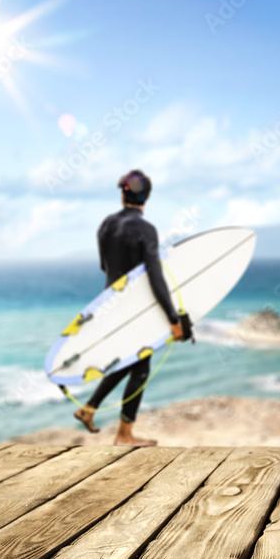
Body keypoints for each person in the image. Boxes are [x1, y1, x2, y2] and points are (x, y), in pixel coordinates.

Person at [73, 169, 186, 446]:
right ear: (146, 197)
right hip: (135, 308)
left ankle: (89, 409)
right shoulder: (146, 230)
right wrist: (173, 317)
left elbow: (105, 267)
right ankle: (124, 435)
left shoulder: (105, 225)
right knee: (141, 367)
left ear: (123, 193)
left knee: (129, 362)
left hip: (108, 304)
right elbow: (155, 276)